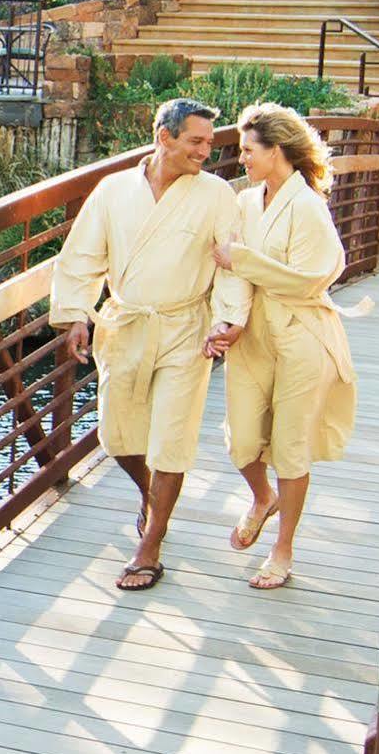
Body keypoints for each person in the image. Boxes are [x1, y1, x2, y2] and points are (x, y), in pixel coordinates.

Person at [51, 97, 249, 592]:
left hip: (186, 329)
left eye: (209, 141)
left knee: (171, 439)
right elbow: (81, 256)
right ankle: (152, 497)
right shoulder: (114, 190)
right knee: (116, 435)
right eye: (195, 141)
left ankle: (151, 545)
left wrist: (227, 320)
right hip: (126, 324)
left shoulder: (216, 195)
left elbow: (231, 264)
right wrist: (77, 313)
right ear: (164, 137)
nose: (206, 151)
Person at [209, 102, 361, 591]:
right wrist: (229, 321)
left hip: (301, 337)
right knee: (242, 438)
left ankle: (283, 548)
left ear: (277, 151)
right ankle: (261, 497)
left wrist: (245, 260)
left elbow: (313, 278)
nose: (242, 160)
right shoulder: (248, 202)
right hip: (253, 336)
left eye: (249, 150)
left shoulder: (308, 207)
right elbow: (229, 271)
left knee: (292, 447)